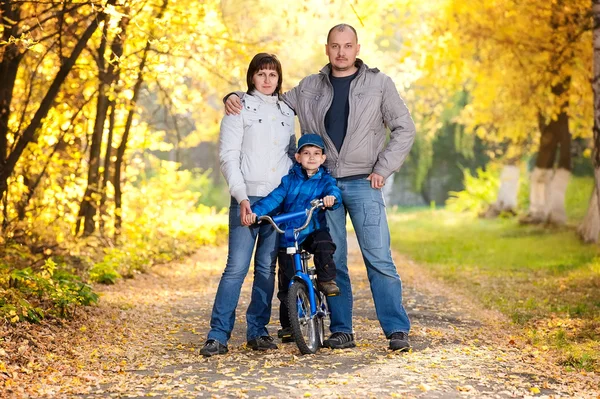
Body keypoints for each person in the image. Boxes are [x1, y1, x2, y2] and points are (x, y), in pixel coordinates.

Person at [225, 24, 416, 351]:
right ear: (326, 49)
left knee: (379, 258)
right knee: (333, 259)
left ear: (357, 48)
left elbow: (404, 129)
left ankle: (396, 330)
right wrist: (233, 97)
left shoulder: (379, 84)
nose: (341, 52)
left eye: (347, 46)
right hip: (322, 185)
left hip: (363, 182)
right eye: (335, 46)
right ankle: (342, 330)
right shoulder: (309, 87)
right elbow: (269, 101)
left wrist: (384, 168)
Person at [200, 53, 296, 357]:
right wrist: (241, 197)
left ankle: (257, 331)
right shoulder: (238, 108)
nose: (267, 80)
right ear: (251, 77)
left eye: (273, 75)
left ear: (280, 79)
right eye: (261, 74)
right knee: (236, 268)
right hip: (247, 199)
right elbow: (228, 156)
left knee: (267, 268)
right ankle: (217, 335)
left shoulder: (287, 111)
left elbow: (291, 154)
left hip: (277, 201)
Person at [243, 134, 343, 339]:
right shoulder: (288, 180)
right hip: (289, 234)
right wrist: (256, 212)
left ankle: (326, 280)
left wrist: (331, 198)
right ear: (297, 157)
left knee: (325, 244)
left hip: (311, 229)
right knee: (287, 280)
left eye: (316, 154)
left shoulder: (325, 180)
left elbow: (334, 191)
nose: (311, 157)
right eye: (306, 153)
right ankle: (289, 325)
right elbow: (274, 198)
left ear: (323, 158)